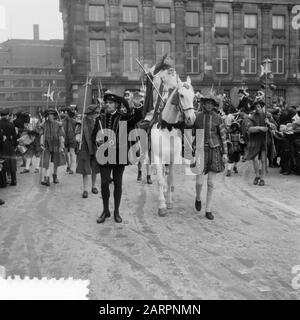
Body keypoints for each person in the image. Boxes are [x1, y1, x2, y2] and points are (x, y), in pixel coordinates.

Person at [92, 93, 143, 224]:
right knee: (104, 184)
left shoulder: (123, 118)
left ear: (116, 105)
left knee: (118, 184)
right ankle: (105, 210)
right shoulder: (99, 119)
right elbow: (94, 137)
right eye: (106, 102)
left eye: (110, 102)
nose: (107, 104)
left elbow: (138, 117)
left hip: (119, 156)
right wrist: (98, 141)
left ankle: (116, 212)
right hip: (104, 156)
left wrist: (137, 106)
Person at [193, 92, 228, 220]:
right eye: (207, 103)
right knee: (199, 182)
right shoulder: (196, 117)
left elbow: (223, 136)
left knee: (211, 183)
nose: (209, 105)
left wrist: (225, 153)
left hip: (214, 150)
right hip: (201, 150)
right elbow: (189, 132)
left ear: (214, 105)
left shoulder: (219, 118)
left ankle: (208, 209)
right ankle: (197, 198)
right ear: (203, 104)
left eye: (211, 103)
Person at [244, 98, 276, 186]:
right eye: (256, 106)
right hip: (255, 140)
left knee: (263, 160)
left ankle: (262, 178)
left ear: (262, 106)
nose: (257, 108)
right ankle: (257, 176)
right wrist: (260, 128)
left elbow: (275, 127)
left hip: (265, 140)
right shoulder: (252, 117)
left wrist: (268, 123)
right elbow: (249, 129)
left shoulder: (268, 115)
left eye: (259, 106)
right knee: (254, 159)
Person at [75, 104, 100, 198]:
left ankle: (93, 186)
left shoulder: (98, 121)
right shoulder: (81, 121)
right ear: (91, 113)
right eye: (96, 112)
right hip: (85, 147)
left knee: (95, 168)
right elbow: (77, 131)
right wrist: (77, 137)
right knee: (85, 169)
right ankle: (85, 189)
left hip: (95, 147)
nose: (97, 114)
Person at [40, 109, 65, 186]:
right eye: (48, 115)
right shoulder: (44, 124)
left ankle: (55, 176)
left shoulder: (58, 124)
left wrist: (61, 146)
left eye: (52, 115)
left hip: (56, 144)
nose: (50, 116)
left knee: (56, 161)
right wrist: (41, 144)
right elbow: (41, 134)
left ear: (54, 116)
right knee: (46, 161)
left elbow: (61, 135)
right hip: (46, 145)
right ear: (47, 116)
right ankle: (46, 178)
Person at [0, 108, 18, 186]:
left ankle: (3, 182)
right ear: (7, 115)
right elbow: (15, 137)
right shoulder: (11, 125)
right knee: (11, 162)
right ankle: (13, 181)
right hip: (9, 145)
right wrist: (15, 145)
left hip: (1, 145)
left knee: (2, 162)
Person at [63, 107, 77, 174]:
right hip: (65, 139)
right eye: (65, 113)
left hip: (72, 139)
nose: (65, 114)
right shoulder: (63, 121)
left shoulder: (74, 121)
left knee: (72, 153)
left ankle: (72, 168)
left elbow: (76, 130)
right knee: (65, 153)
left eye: (66, 113)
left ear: (69, 114)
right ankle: (68, 165)